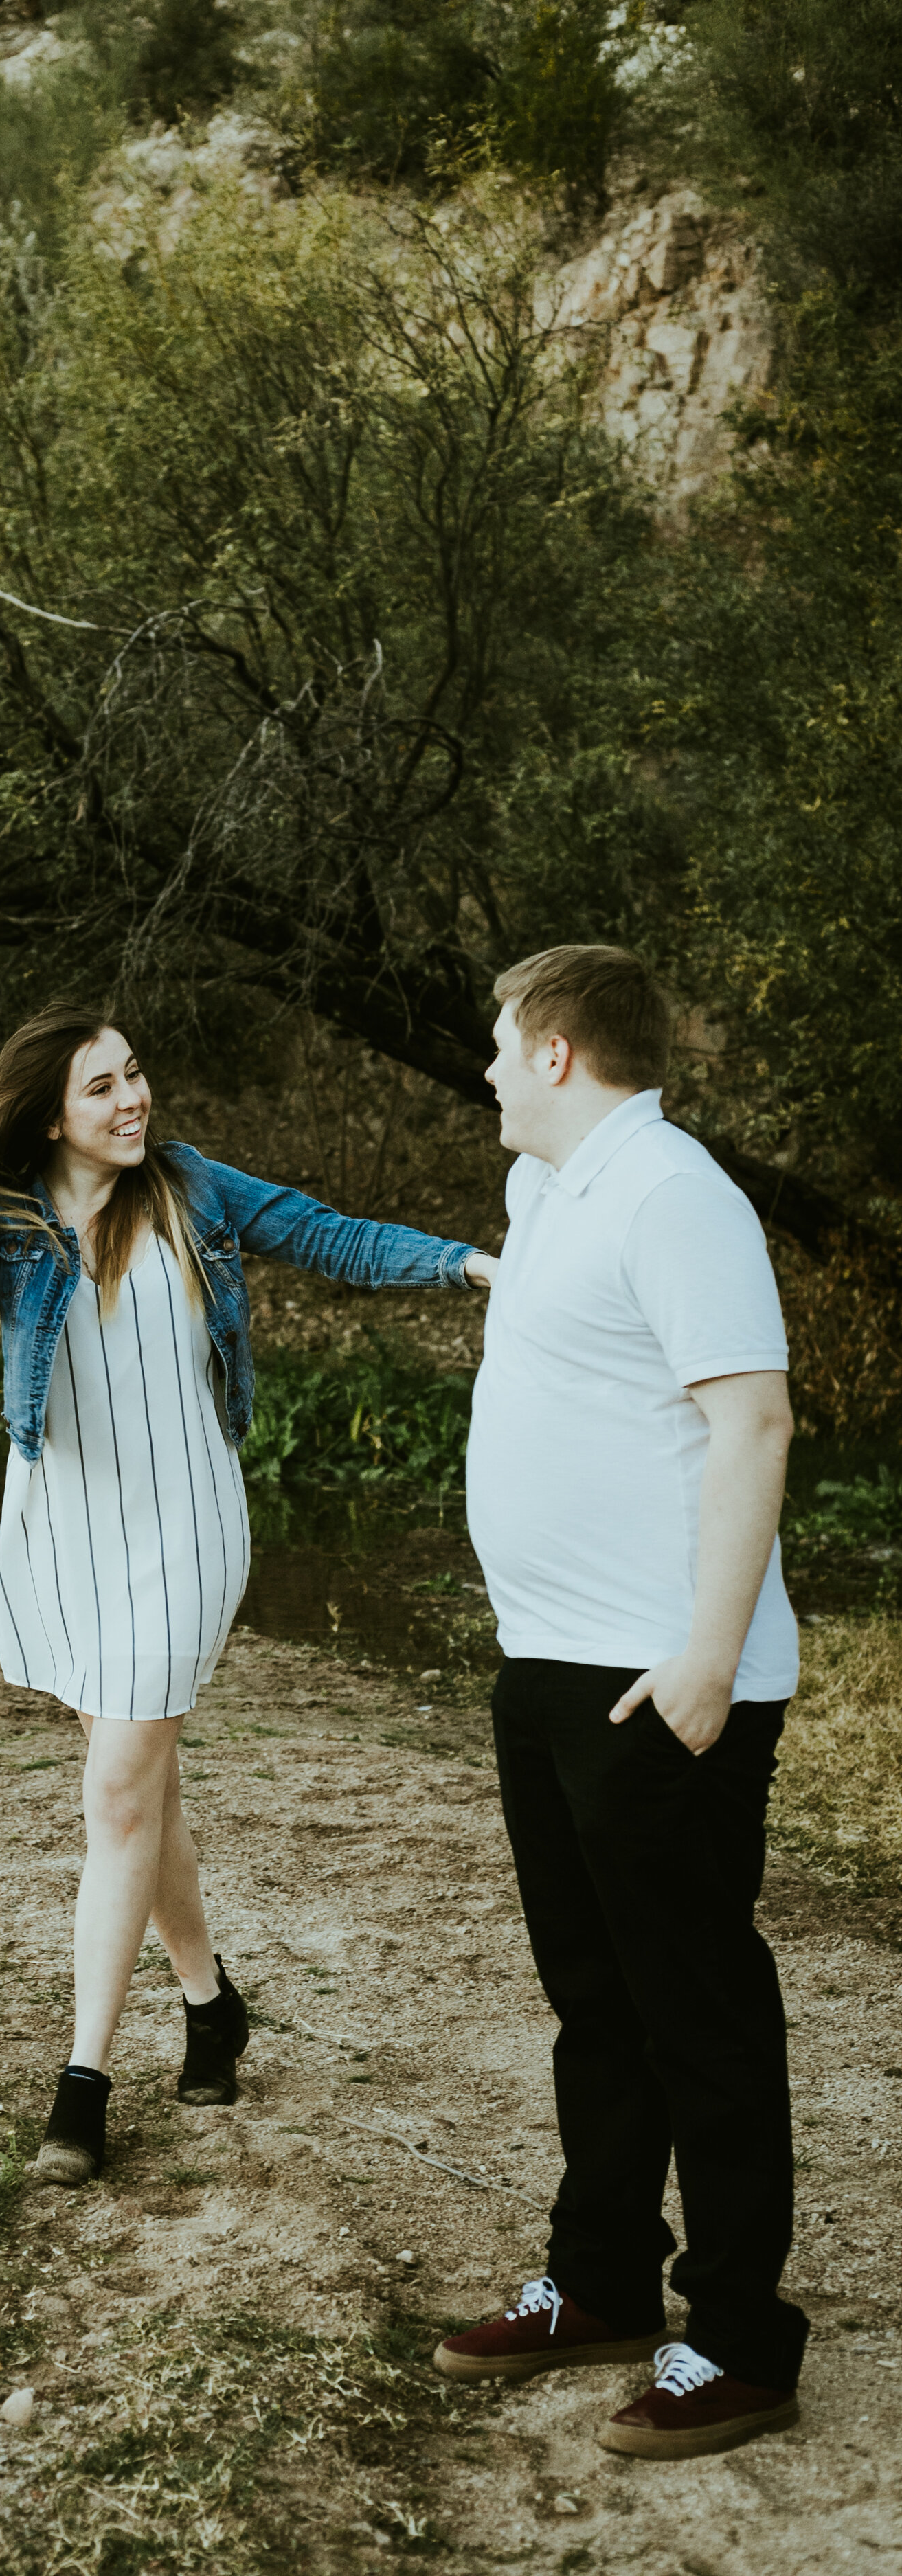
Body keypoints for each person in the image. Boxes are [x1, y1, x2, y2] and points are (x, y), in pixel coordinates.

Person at [0, 1000, 497, 2184]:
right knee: (143, 1788)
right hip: (64, 1527)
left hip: (185, 1525)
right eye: (101, 1088)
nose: (133, 1100)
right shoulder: (7, 1206)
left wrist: (465, 1261)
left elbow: (327, 1235)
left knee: (118, 1794)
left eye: (135, 1075)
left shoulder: (189, 1188)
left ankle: (82, 2086)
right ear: (48, 1113)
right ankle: (212, 2001)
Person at [433, 944, 806, 2463]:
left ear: (558, 1054)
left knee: (693, 2004)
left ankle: (735, 2338)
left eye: (498, 1049)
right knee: (594, 1995)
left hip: (664, 1677)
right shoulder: (551, 1192)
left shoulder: (674, 1196)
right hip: (550, 1661)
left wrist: (708, 1656)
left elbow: (753, 1417)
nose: (483, 1072)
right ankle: (598, 2277)